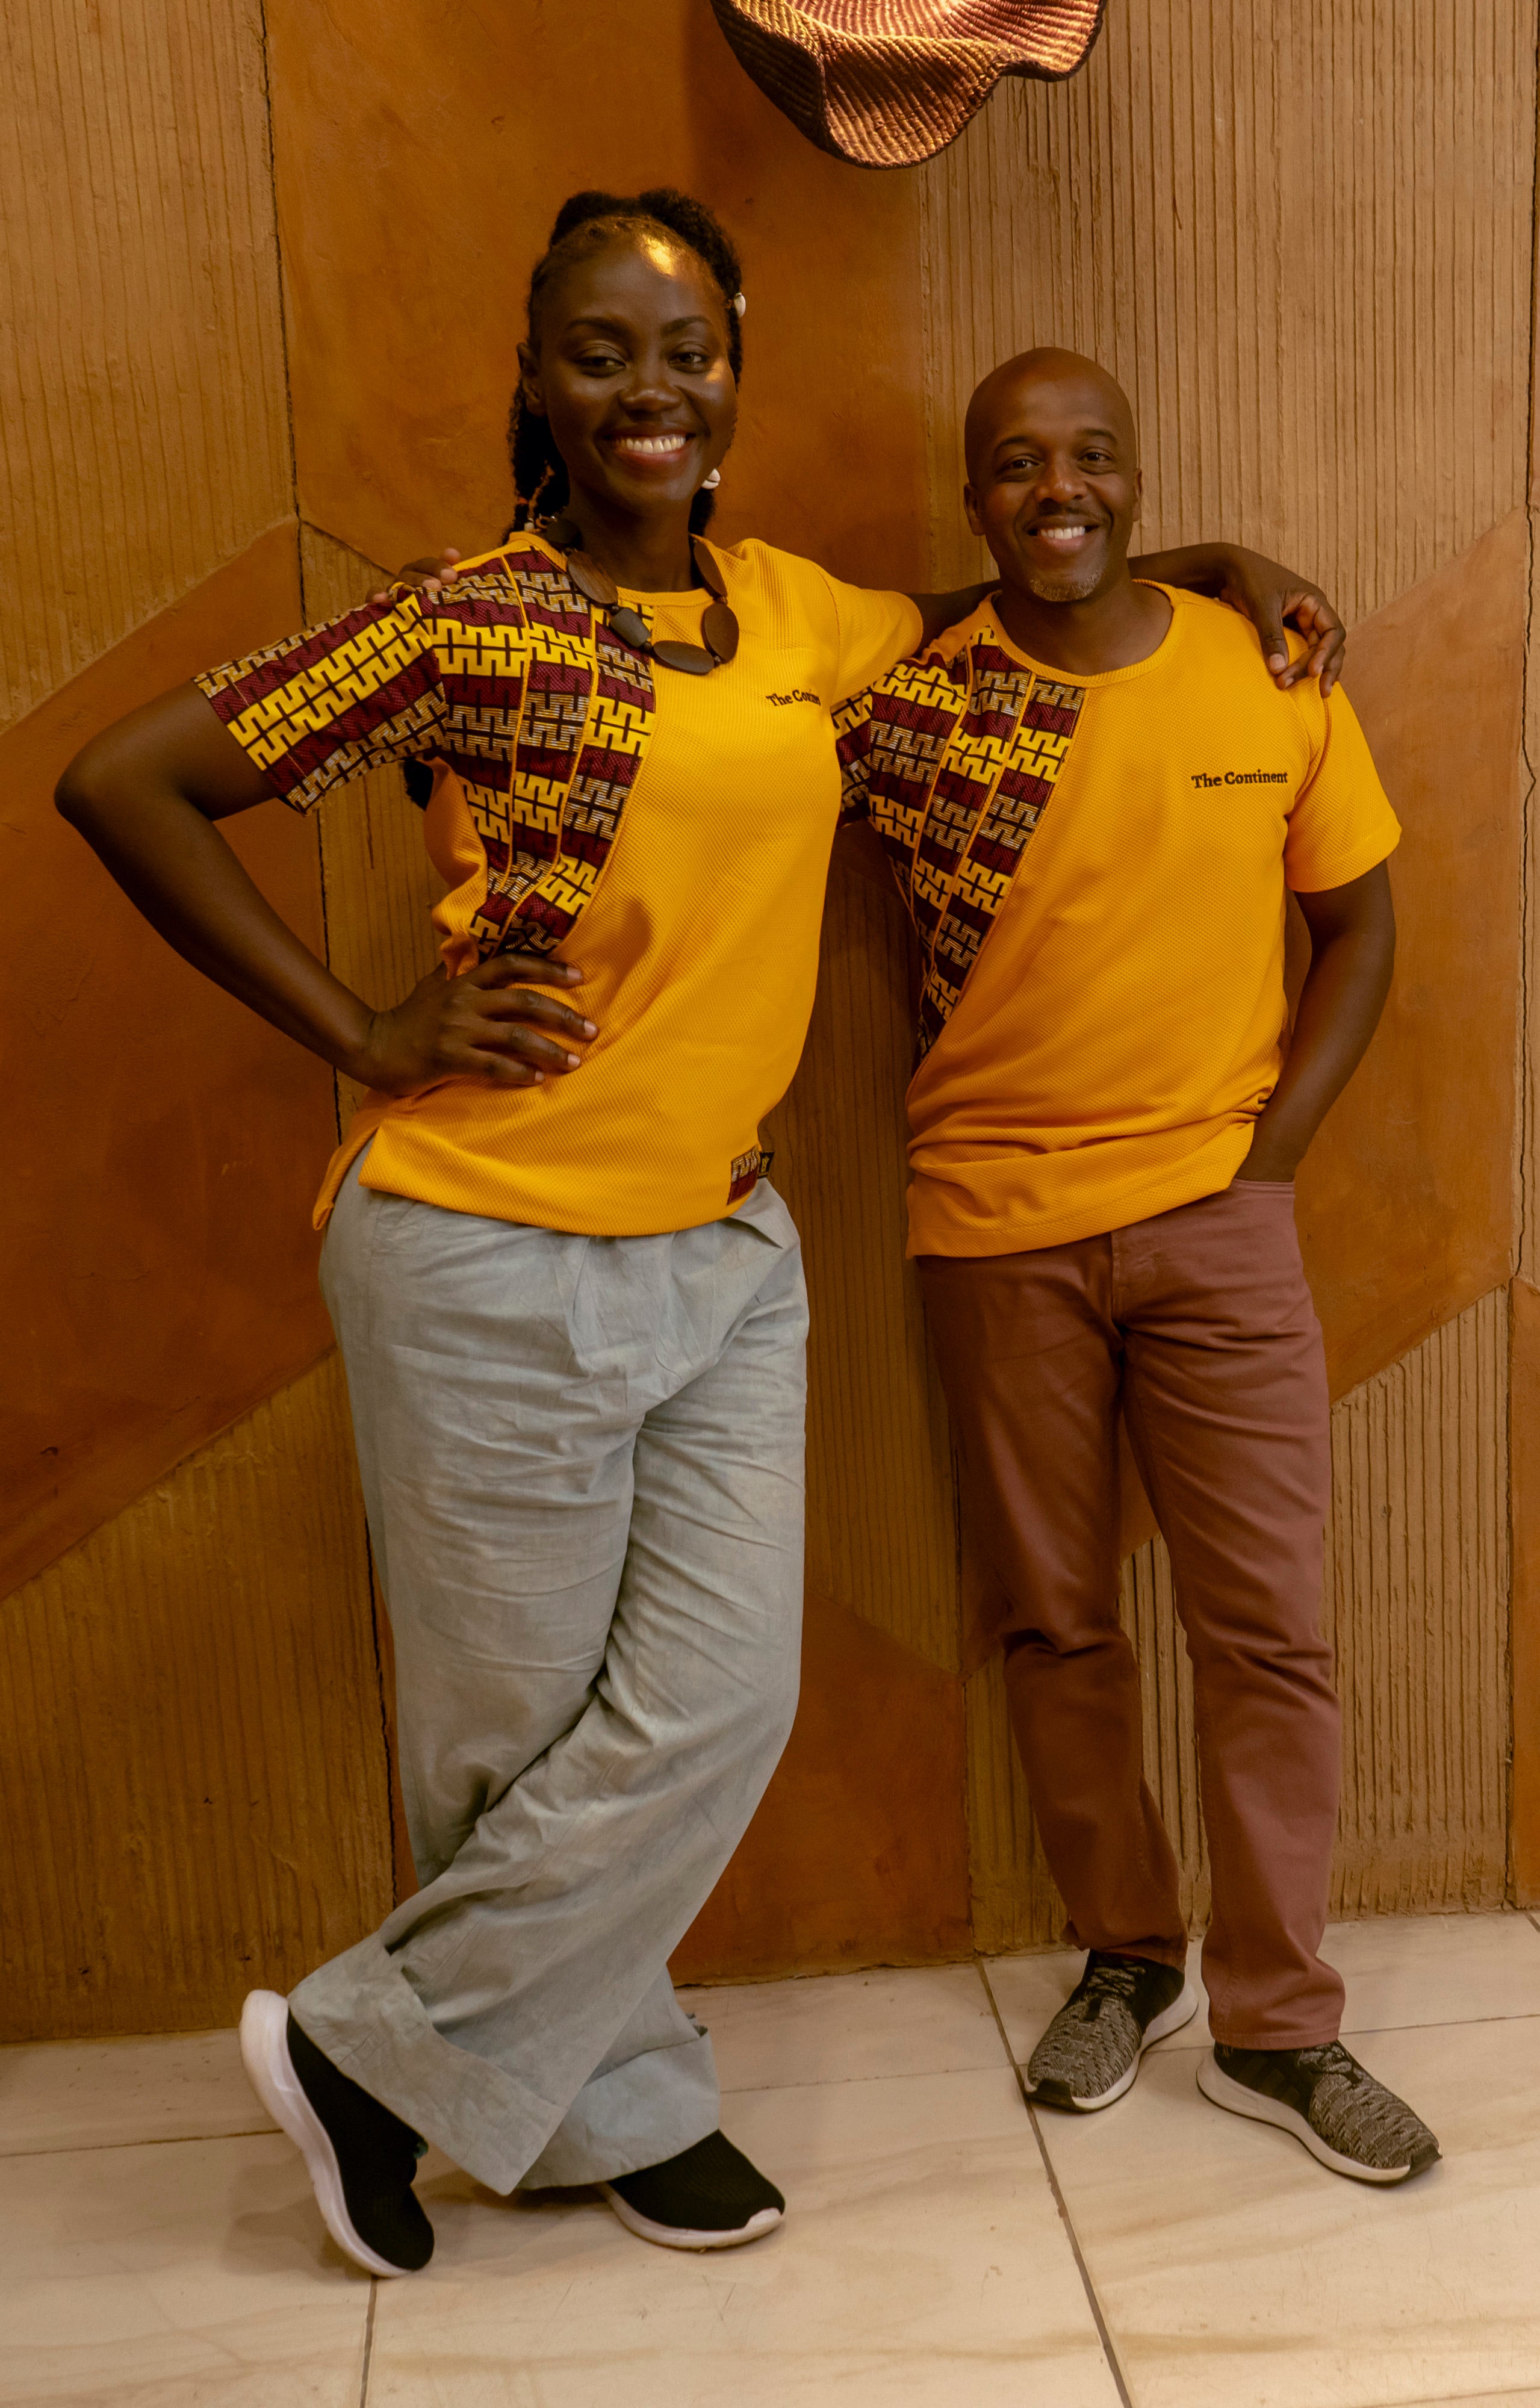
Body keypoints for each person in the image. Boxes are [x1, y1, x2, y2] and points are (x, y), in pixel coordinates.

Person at [55, 189, 1355, 2276]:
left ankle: (373, 2059)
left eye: (682, 348)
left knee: (710, 1707)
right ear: (539, 386)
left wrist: (1198, 560)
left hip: (725, 1257)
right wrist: (374, 1032)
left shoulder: (800, 618)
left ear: (728, 372)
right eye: (599, 351)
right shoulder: (469, 614)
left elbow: (992, 598)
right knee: (515, 1742)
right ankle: (608, 2112)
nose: (647, 388)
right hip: (484, 1242)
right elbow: (127, 781)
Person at [837, 347, 1439, 2185]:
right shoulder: (907, 702)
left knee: (1265, 1630)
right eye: (1015, 465)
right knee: (1056, 1623)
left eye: (1090, 458)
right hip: (992, 1231)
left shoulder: (1267, 674)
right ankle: (1124, 1954)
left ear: (1134, 470)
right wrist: (1210, 545)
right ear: (971, 499)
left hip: (1217, 1222)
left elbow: (1357, 929)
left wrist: (1273, 1153)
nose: (1056, 491)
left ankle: (1278, 2024)